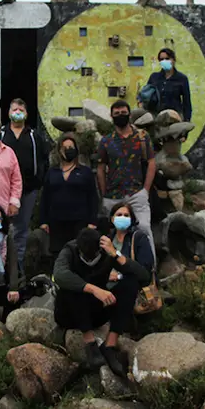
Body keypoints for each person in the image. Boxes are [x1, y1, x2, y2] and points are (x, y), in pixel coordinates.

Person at [53, 228, 152, 377]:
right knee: (72, 287)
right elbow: (59, 274)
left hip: (96, 312)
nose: (89, 260)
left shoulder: (107, 252)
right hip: (70, 313)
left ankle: (110, 345)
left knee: (130, 283)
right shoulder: (70, 249)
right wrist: (93, 289)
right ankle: (90, 343)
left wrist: (116, 254)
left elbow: (144, 276)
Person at [97, 100, 156, 244]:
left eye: (123, 112)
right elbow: (100, 167)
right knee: (112, 233)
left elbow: (151, 162)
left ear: (129, 114)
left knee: (143, 228)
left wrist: (145, 190)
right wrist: (104, 193)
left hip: (136, 193)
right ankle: (115, 264)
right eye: (116, 113)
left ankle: (148, 265)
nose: (120, 115)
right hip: (113, 195)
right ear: (111, 116)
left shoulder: (142, 137)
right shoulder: (106, 141)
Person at [1, 99, 49, 272]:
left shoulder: (33, 135)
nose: (18, 112)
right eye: (14, 109)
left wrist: (39, 180)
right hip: (4, 191)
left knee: (21, 230)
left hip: (28, 190)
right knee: (2, 228)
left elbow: (44, 158)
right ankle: (2, 267)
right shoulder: (1, 134)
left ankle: (18, 268)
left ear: (27, 114)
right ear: (8, 112)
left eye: (21, 109)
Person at [39, 132, 99, 256]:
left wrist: (92, 221)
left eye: (71, 147)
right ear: (59, 151)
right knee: (58, 254)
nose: (68, 150)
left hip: (80, 221)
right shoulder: (52, 172)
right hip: (56, 221)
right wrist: (43, 221)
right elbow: (45, 197)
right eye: (65, 148)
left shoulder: (85, 172)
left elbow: (93, 197)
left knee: (78, 253)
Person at [104, 202, 155, 286]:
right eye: (119, 215)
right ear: (112, 219)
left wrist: (119, 276)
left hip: (130, 291)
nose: (122, 217)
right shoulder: (107, 239)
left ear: (131, 220)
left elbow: (145, 274)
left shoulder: (139, 238)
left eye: (126, 215)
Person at [138, 47, 192, 121]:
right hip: (156, 115)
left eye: (167, 58)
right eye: (161, 59)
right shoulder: (154, 77)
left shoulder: (182, 78)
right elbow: (145, 95)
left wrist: (187, 120)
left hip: (174, 116)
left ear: (173, 60)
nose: (164, 61)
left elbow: (187, 102)